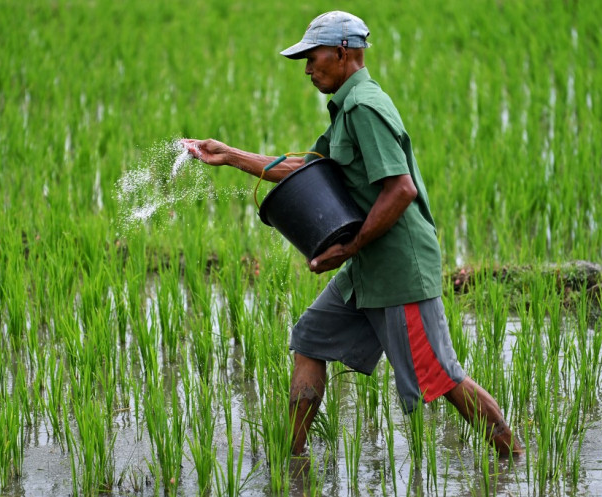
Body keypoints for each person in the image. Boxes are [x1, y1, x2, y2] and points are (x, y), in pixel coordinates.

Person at [183, 11, 522, 457]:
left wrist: (348, 248)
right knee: (310, 337)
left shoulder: (365, 106)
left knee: (439, 375)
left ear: (342, 53)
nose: (307, 69)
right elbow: (309, 170)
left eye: (312, 57)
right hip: (367, 266)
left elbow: (400, 190)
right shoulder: (346, 108)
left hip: (398, 266)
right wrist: (229, 155)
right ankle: (292, 457)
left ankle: (513, 457)